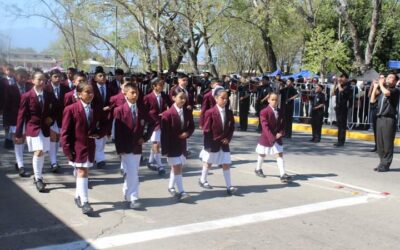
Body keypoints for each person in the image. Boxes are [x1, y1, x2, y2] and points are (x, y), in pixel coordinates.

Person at [61, 82, 106, 214]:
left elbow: (105, 122)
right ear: (79, 94)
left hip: (89, 146)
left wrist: (99, 133)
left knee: (83, 171)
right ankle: (85, 201)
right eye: (87, 92)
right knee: (82, 171)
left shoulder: (95, 109)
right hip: (77, 146)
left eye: (92, 92)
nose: (91, 94)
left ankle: (78, 196)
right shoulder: (70, 109)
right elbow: (65, 132)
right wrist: (67, 150)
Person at [15, 72, 56, 192]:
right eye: (39, 80)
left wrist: (52, 118)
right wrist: (18, 133)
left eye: (44, 80)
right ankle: (38, 178)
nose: (42, 82)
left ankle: (38, 176)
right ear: (33, 80)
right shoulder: (26, 96)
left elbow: (56, 108)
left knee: (41, 152)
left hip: (45, 129)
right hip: (33, 128)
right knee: (38, 152)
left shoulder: (48, 95)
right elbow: (21, 116)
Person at [114, 83, 151, 209]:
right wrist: (119, 149)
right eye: (132, 93)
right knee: (133, 173)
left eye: (137, 93)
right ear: (125, 94)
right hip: (125, 147)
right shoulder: (119, 110)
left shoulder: (142, 109)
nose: (135, 95)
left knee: (132, 171)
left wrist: (145, 137)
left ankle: (126, 191)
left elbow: (151, 123)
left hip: (137, 146)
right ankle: (134, 197)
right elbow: (117, 132)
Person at [199, 88, 237, 195]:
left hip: (224, 143)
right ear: (216, 98)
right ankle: (203, 179)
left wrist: (228, 138)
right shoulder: (210, 112)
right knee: (208, 162)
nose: (225, 100)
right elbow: (206, 130)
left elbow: (231, 127)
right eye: (222, 98)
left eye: (227, 98)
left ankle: (229, 186)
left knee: (226, 163)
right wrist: (209, 143)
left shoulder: (229, 112)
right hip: (212, 143)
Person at [161, 88, 195, 201]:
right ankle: (181, 191)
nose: (183, 100)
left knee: (177, 167)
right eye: (181, 98)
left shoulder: (187, 111)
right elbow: (164, 134)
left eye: (185, 98)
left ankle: (171, 187)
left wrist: (187, 133)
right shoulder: (167, 114)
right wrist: (165, 150)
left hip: (182, 145)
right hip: (172, 145)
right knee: (177, 167)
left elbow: (191, 127)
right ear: (173, 98)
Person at [254, 93, 292, 183]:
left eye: (276, 100)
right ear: (268, 100)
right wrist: (272, 138)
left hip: (277, 137)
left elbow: (283, 125)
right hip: (267, 137)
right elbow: (265, 126)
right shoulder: (264, 111)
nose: (275, 102)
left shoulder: (280, 111)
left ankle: (282, 174)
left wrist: (281, 133)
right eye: (273, 99)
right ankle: (258, 169)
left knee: (279, 154)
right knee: (262, 153)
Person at [4, 68, 32, 177]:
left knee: (23, 142)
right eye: (22, 77)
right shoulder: (10, 88)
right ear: (16, 76)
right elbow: (6, 106)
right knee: (18, 141)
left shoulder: (29, 88)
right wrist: (6, 122)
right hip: (15, 120)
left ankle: (18, 160)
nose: (24, 79)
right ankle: (21, 165)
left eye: (25, 77)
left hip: (27, 120)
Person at [370, 73, 400, 172]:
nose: (388, 78)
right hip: (380, 118)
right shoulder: (382, 91)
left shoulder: (395, 90)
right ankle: (381, 162)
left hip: (389, 119)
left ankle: (386, 164)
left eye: (391, 77)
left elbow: (387, 93)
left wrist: (381, 85)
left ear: (395, 81)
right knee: (380, 143)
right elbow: (372, 101)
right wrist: (375, 87)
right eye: (388, 77)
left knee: (387, 143)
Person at [44, 69, 69, 172]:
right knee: (53, 139)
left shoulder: (65, 88)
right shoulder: (46, 89)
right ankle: (53, 162)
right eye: (55, 76)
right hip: (50, 118)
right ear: (50, 77)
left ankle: (55, 160)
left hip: (62, 118)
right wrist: (46, 117)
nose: (58, 79)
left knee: (58, 139)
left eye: (59, 76)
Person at [144, 77, 170, 175]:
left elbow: (170, 107)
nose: (162, 86)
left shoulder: (164, 95)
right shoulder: (148, 97)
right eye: (160, 85)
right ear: (154, 86)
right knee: (156, 144)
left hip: (162, 122)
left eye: (163, 84)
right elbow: (143, 111)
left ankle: (150, 161)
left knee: (157, 142)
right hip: (153, 124)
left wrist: (166, 113)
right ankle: (160, 165)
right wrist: (149, 119)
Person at [91, 68, 113, 168]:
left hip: (107, 116)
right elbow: (90, 103)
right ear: (95, 78)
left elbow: (112, 99)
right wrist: (101, 109)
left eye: (104, 75)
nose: (103, 77)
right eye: (100, 76)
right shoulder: (92, 88)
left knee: (103, 137)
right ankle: (99, 159)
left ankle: (98, 157)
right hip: (95, 116)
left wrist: (110, 106)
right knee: (97, 137)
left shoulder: (109, 87)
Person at [332, 73, 352, 147]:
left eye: (342, 77)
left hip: (344, 107)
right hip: (338, 106)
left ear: (346, 78)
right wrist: (335, 84)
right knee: (339, 124)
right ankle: (339, 140)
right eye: (340, 77)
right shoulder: (340, 85)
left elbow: (341, 91)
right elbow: (333, 93)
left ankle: (341, 141)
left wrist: (339, 84)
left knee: (342, 125)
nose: (341, 79)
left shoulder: (348, 86)